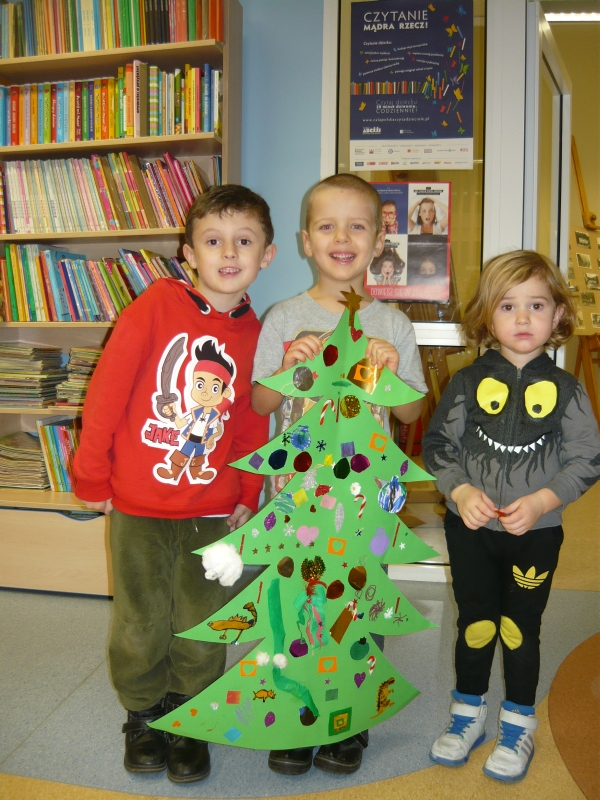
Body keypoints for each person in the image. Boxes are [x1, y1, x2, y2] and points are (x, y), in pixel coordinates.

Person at [73, 185, 277, 783]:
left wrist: (248, 493)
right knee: (140, 619)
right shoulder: (155, 306)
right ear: (189, 253)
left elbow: (251, 424)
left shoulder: (259, 335)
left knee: (202, 621)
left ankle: (190, 714)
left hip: (212, 511)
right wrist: (91, 474)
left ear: (266, 255)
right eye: (213, 241)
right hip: (138, 505)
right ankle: (143, 712)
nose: (228, 253)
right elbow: (106, 394)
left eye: (244, 241)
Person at [251, 173, 427, 776]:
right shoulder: (284, 316)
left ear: (378, 241)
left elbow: (410, 413)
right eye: (327, 226)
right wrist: (286, 366)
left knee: (359, 605)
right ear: (306, 241)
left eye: (357, 227)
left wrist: (391, 372)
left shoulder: (393, 323)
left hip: (366, 505)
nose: (342, 238)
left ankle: (351, 716)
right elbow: (260, 405)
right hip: (298, 501)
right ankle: (299, 712)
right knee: (298, 607)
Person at [422, 250, 600, 783]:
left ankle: (518, 723)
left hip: (535, 536)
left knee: (520, 628)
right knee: (475, 624)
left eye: (536, 305)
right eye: (507, 305)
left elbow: (588, 459)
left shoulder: (568, 390)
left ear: (558, 315)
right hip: (471, 530)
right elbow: (437, 445)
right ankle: (467, 713)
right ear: (487, 316)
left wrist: (545, 501)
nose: (522, 318)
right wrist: (460, 491)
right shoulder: (465, 382)